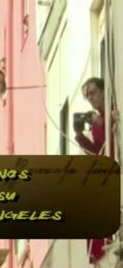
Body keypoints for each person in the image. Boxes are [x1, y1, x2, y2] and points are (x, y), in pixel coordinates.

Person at [74, 76, 116, 265]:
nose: (90, 98)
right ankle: (98, 256)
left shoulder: (111, 110)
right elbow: (97, 151)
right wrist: (80, 136)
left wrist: (100, 122)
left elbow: (114, 138)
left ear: (103, 91)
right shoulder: (97, 119)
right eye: (87, 95)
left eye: (93, 92)